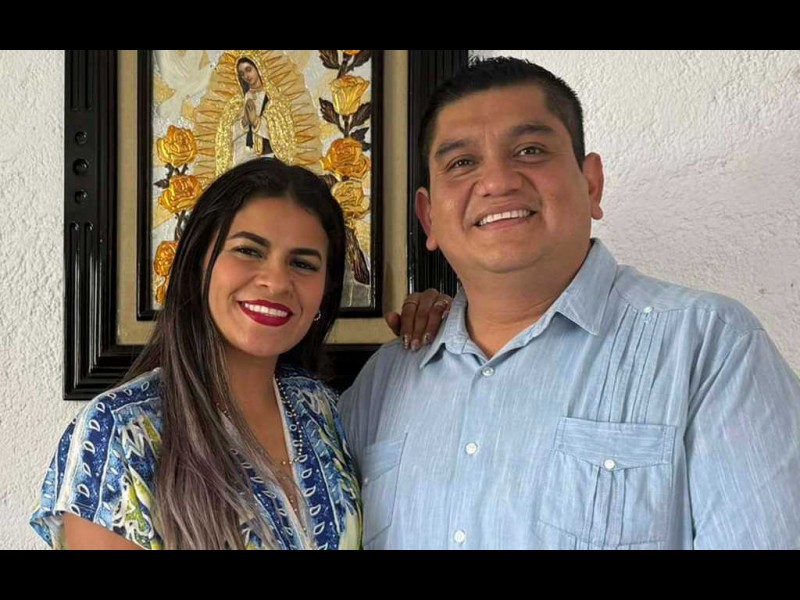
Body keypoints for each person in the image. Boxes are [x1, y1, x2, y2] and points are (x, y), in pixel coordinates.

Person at [340, 57, 800, 550]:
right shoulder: (384, 383)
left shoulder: (710, 349)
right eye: (462, 163)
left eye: (530, 150)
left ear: (591, 182)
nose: (497, 181)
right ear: (429, 217)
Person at [30, 158, 446, 550]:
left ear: (325, 292)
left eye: (303, 264)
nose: (276, 281)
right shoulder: (120, 432)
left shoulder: (320, 408)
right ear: (199, 262)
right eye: (249, 251)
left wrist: (451, 318)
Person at [233, 57, 274, 166]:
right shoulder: (243, 97)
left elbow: (279, 129)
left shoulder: (272, 95)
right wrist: (244, 122)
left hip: (268, 156)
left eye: (248, 69)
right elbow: (230, 132)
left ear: (258, 67)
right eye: (242, 74)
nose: (246, 76)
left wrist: (256, 121)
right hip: (246, 156)